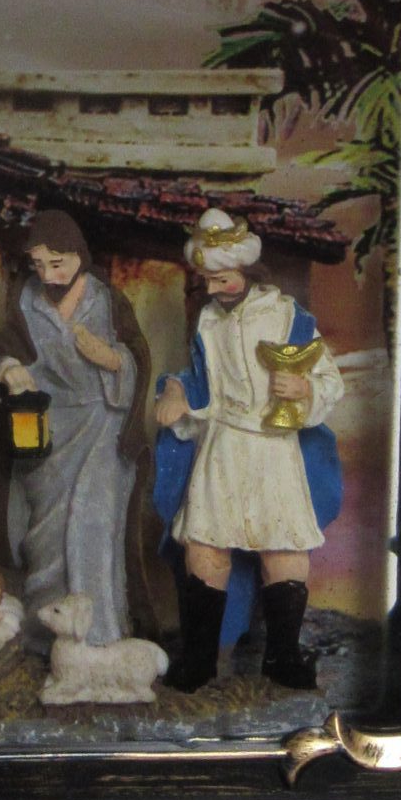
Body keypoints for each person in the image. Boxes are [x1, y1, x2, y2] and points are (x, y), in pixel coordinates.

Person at [152, 210, 344, 692]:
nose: (214, 289)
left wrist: (304, 389)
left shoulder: (288, 317)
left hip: (273, 448)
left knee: (283, 546)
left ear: (247, 271)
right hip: (223, 445)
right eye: (207, 280)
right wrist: (177, 393)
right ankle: (200, 660)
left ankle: (282, 658)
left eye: (222, 279)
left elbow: (329, 379)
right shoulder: (207, 322)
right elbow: (203, 386)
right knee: (204, 547)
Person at [0, 211, 153, 650]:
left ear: (79, 255)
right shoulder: (26, 300)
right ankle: (45, 634)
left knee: (94, 522)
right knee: (46, 532)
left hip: (103, 424)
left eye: (58, 264)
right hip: (46, 427)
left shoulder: (107, 301)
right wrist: (7, 368)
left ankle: (100, 634)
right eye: (39, 265)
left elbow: (138, 356)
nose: (49, 276)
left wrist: (112, 359)